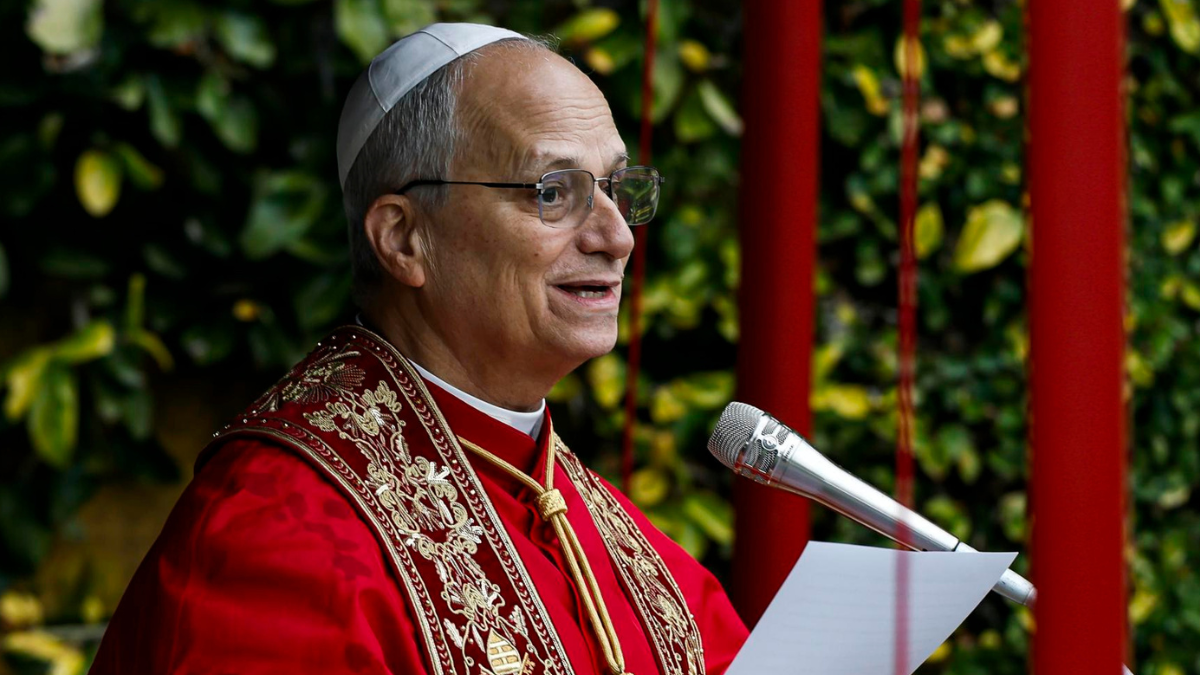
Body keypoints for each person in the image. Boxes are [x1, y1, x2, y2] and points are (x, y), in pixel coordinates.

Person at [90, 23, 748, 675]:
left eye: (615, 190)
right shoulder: (277, 532)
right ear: (404, 238)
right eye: (553, 192)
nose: (617, 236)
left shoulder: (598, 523)